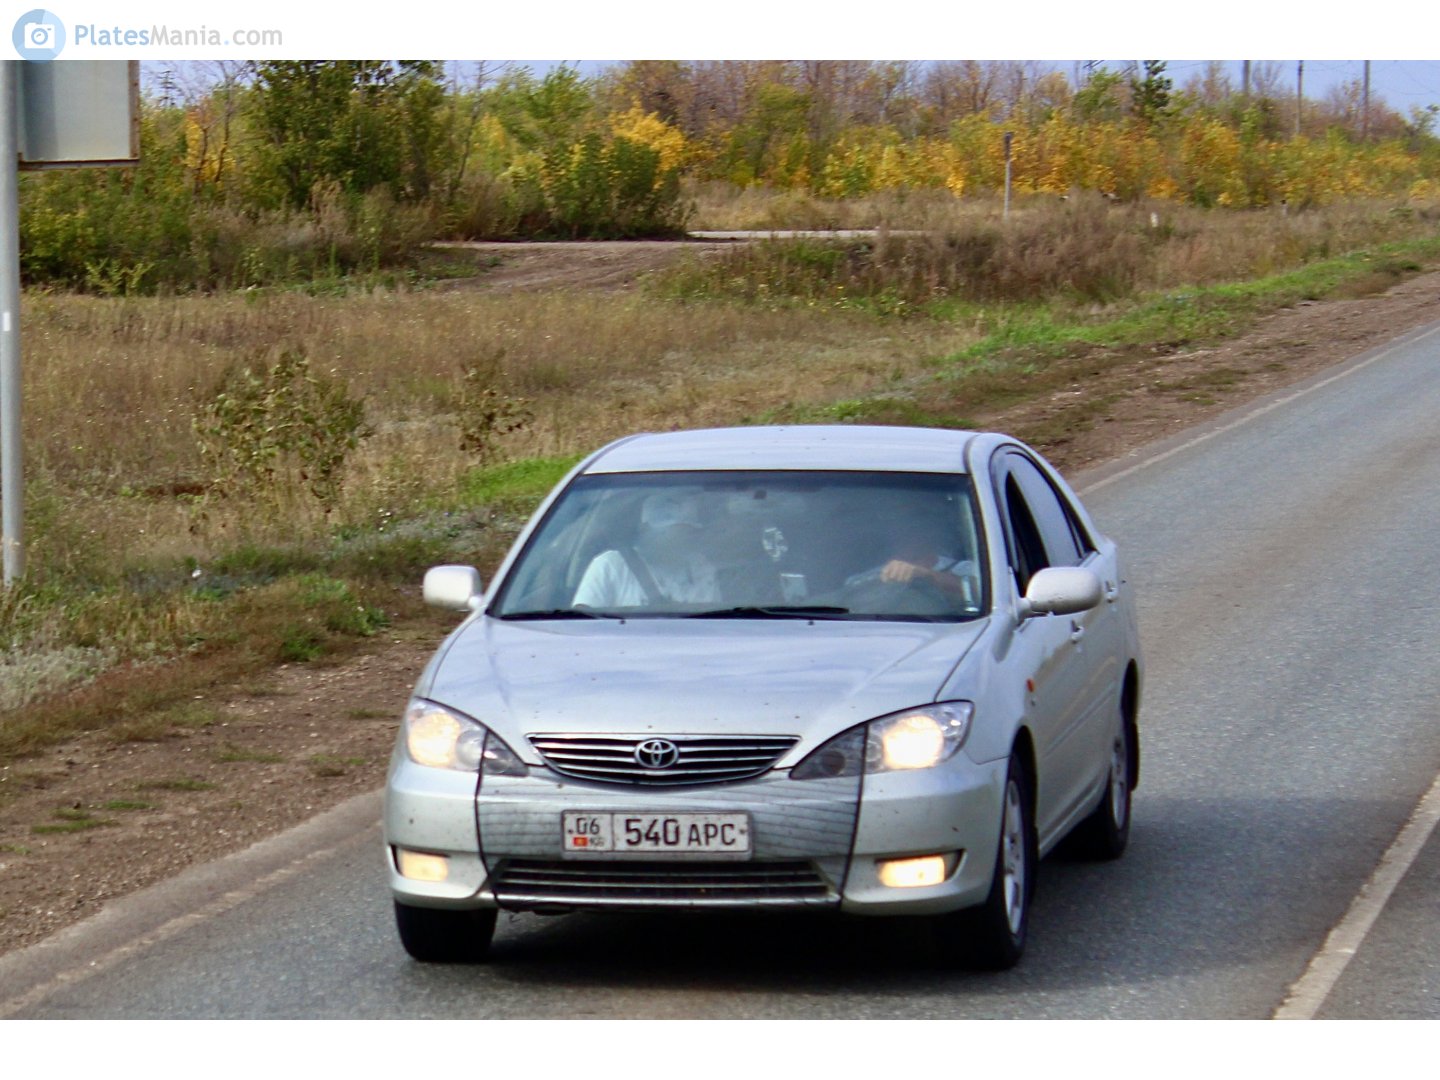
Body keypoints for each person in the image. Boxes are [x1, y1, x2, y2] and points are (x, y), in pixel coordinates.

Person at [573, 491, 720, 609]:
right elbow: (581, 623)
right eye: (666, 531)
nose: (689, 536)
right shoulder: (610, 565)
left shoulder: (701, 566)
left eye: (690, 530)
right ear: (644, 529)